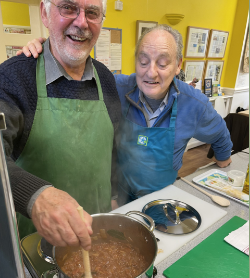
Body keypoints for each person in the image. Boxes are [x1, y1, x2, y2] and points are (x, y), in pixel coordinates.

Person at [22, 25, 232, 206]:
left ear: (178, 65)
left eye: (162, 63)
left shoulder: (195, 105)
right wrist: (46, 53)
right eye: (143, 61)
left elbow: (222, 138)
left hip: (163, 198)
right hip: (117, 196)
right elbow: (72, 75)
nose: (151, 73)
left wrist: (223, 164)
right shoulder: (115, 87)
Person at [0, 0, 121, 249]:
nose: (81, 22)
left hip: (97, 236)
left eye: (92, 12)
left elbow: (112, 149)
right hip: (36, 250)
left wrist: (113, 196)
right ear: (45, 13)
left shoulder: (107, 80)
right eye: (68, 8)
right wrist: (35, 196)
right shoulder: (13, 79)